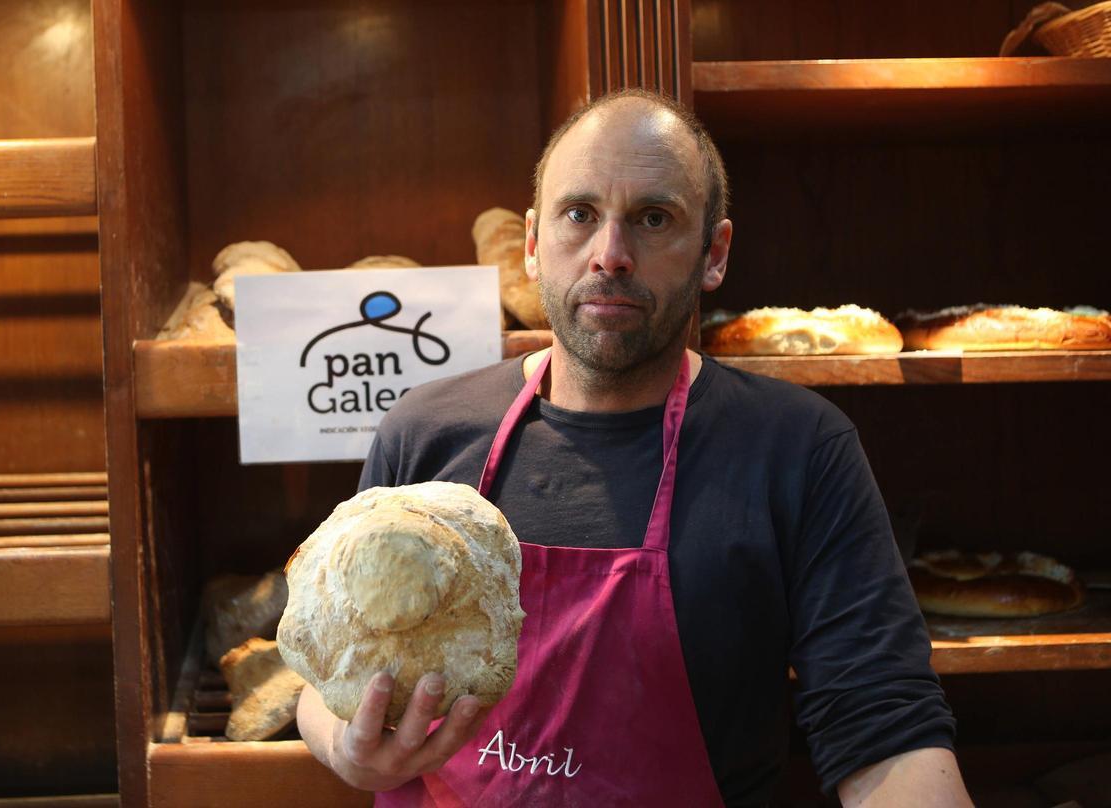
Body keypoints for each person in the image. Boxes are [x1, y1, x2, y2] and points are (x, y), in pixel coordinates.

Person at [296, 88, 972, 807]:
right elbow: (324, 654)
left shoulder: (798, 448)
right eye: (579, 215)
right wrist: (343, 747)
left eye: (654, 218)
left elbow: (881, 722)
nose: (609, 255)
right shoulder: (424, 432)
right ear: (532, 244)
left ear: (714, 254)